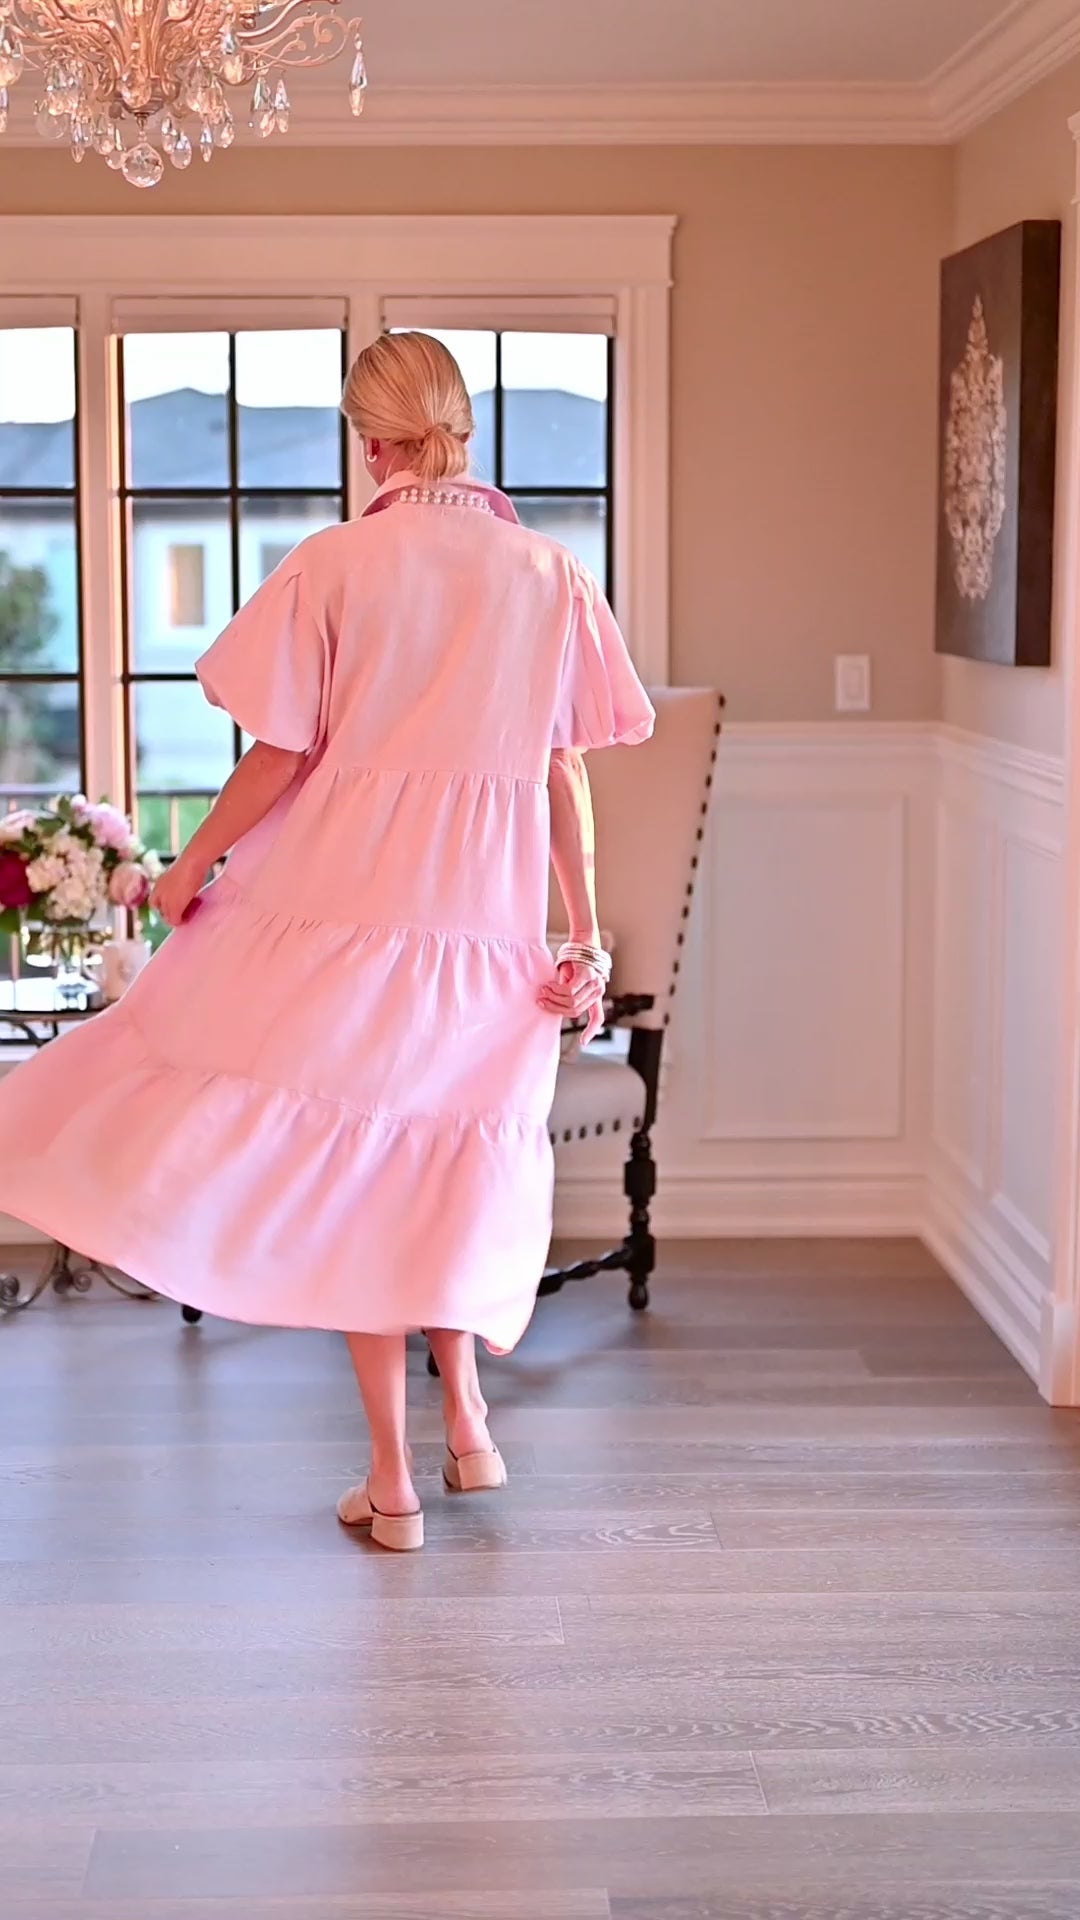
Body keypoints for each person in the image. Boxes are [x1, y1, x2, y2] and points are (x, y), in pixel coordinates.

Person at [0, 332, 654, 1550]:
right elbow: (563, 771)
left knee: (364, 1178)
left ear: (370, 444)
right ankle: (468, 1423)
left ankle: (393, 1486)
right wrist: (579, 932)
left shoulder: (339, 563)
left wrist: (190, 865)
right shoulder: (550, 574)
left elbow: (280, 755)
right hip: (488, 937)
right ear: (458, 428)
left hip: (349, 925)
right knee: (442, 1165)